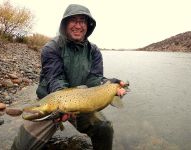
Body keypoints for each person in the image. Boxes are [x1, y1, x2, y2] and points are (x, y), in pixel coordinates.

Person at [11, 4, 127, 150]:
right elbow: (55, 79)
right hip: (51, 100)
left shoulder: (94, 51)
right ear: (65, 24)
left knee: (104, 129)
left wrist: (108, 83)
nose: (78, 26)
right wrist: (61, 107)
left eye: (82, 21)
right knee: (21, 147)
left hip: (82, 102)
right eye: (74, 20)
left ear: (88, 26)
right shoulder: (51, 48)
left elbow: (94, 79)